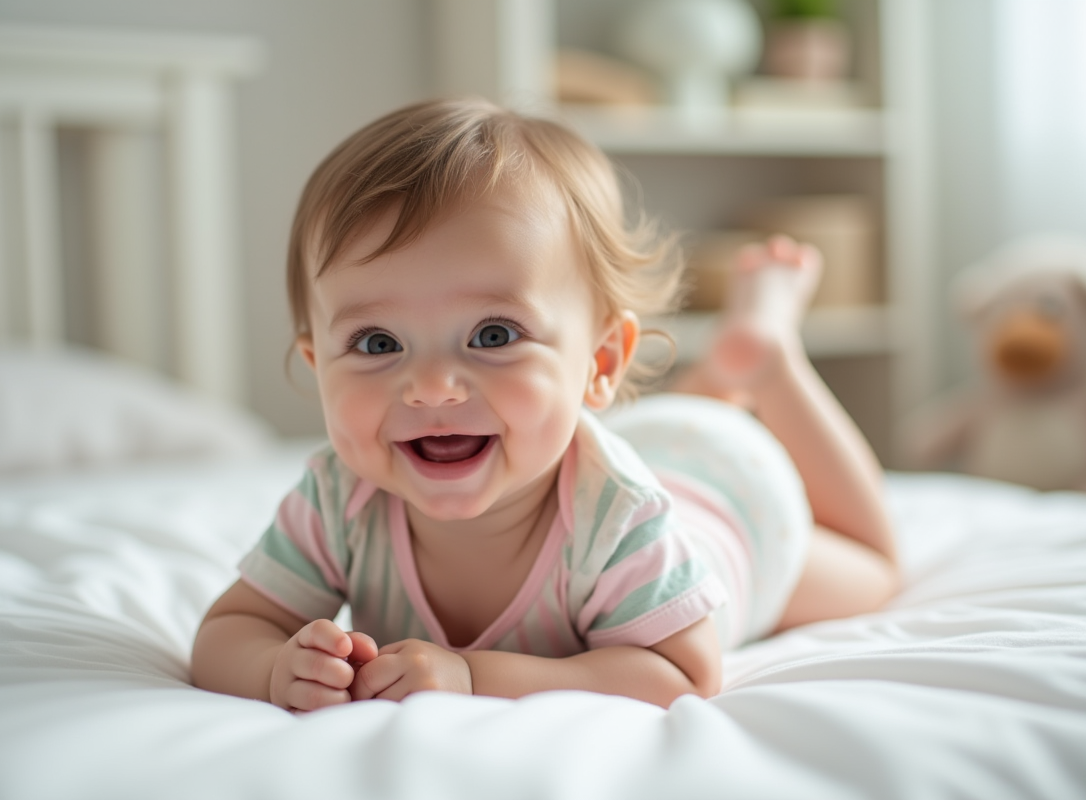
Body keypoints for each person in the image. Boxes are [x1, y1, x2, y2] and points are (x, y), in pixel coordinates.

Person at [190, 98, 898, 711]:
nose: (432, 387)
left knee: (874, 571)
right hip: (641, 436)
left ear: (599, 363)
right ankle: (720, 377)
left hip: (731, 497)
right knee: (673, 419)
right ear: (318, 365)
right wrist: (274, 668)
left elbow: (682, 672)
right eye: (377, 343)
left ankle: (769, 357)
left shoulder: (617, 517)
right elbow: (228, 632)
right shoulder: (338, 499)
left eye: (492, 335)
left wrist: (475, 674)